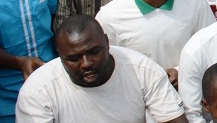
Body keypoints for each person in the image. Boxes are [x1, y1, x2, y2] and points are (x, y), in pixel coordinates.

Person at [15, 15, 189, 123]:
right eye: (74, 58)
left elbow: (174, 119)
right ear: (59, 55)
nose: (86, 63)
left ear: (107, 42)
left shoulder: (143, 70)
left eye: (93, 52)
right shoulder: (37, 90)